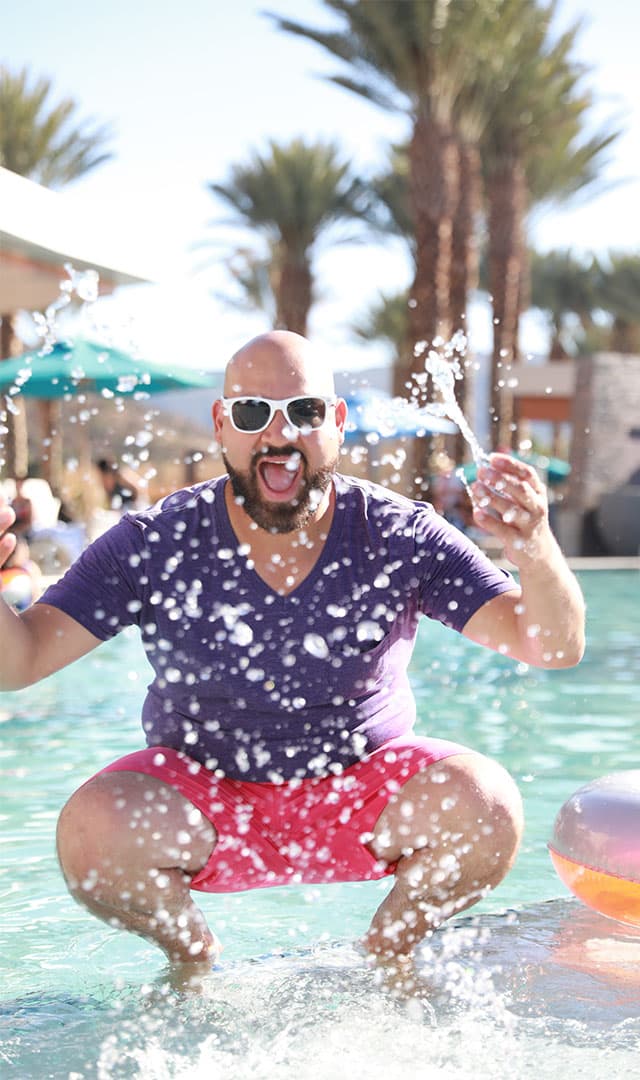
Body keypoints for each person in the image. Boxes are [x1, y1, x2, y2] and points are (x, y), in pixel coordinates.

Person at [0, 331, 585, 993]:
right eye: (253, 414)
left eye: (304, 413)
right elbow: (19, 663)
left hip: (363, 795)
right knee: (91, 830)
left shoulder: (396, 533)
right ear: (223, 425)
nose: (279, 435)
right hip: (205, 801)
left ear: (336, 423)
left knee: (489, 806)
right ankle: (195, 961)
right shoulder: (154, 543)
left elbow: (552, 646)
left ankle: (388, 955)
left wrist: (534, 547)